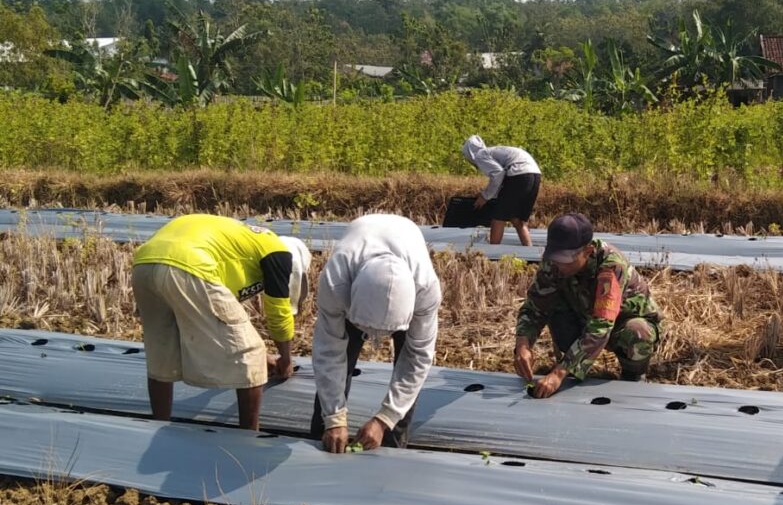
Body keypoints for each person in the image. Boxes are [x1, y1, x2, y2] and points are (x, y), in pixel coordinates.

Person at [131, 214, 311, 430]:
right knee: (251, 353)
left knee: (162, 354)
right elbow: (279, 312)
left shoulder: (243, 248)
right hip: (190, 263)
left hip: (144, 264)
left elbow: (220, 320)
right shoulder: (279, 253)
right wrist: (285, 359)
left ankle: (158, 425)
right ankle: (247, 438)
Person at [310, 214, 442, 453]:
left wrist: (385, 419)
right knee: (344, 357)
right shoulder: (336, 282)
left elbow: (417, 359)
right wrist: (334, 418)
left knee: (407, 358)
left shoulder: (425, 290)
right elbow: (329, 352)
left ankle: (391, 444)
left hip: (406, 238)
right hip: (361, 240)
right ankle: (326, 433)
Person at [514, 212, 661, 398]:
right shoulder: (554, 263)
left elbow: (601, 325)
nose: (559, 265)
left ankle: (633, 376)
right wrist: (522, 345)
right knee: (556, 310)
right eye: (556, 258)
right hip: (584, 316)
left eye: (567, 260)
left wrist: (558, 374)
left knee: (637, 332)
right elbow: (534, 307)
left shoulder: (611, 266)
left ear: (588, 251)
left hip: (621, 323)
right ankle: (572, 368)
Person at [462, 134, 542, 246]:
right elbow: (502, 179)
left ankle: (492, 256)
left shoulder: (480, 155)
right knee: (518, 220)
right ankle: (530, 253)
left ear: (470, 153)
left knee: (498, 219)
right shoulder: (493, 152)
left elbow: (498, 174)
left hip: (519, 174)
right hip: (535, 174)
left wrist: (485, 196)